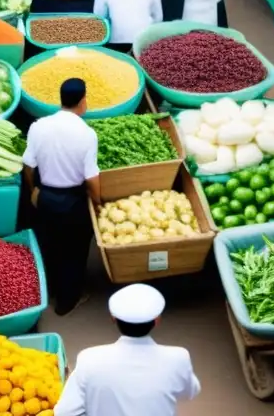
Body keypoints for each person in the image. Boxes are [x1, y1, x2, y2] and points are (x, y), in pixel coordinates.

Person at [54, 283, 201, 416]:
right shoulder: (178, 358)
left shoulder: (89, 359)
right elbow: (190, 393)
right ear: (157, 320)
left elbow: (64, 412)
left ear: (113, 318)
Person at [23, 78, 101, 316]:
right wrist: (98, 204)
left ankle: (52, 290)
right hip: (73, 202)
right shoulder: (87, 134)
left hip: (46, 197)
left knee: (50, 245)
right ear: (83, 101)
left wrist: (33, 192)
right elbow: (91, 179)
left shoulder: (39, 126)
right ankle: (66, 303)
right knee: (74, 253)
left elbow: (28, 164)